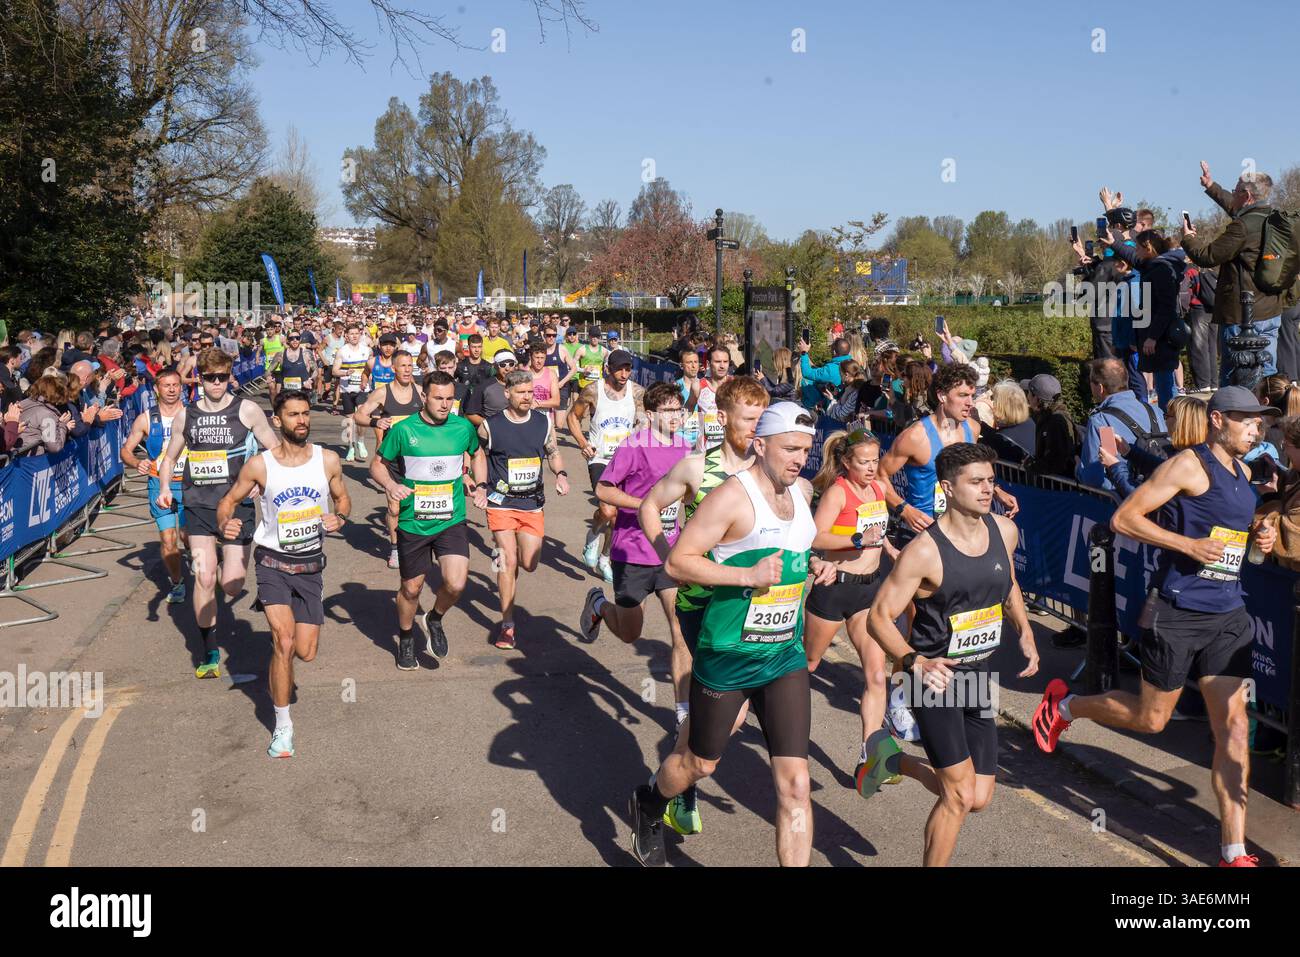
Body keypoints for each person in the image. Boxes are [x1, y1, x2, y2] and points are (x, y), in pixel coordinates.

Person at [1034, 386, 1278, 868]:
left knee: (1233, 726)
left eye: (1261, 421)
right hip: (1178, 611)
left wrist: (1260, 537)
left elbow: (1233, 544)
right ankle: (1066, 706)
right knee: (1152, 719)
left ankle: (1233, 851)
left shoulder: (1244, 473)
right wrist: (1185, 547)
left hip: (1228, 615)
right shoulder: (1189, 465)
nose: (1256, 428)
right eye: (1246, 419)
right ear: (1216, 420)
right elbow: (1126, 518)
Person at [628, 402, 836, 867]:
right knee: (700, 763)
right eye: (789, 448)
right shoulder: (731, 497)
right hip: (728, 655)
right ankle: (649, 803)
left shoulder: (801, 492)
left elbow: (794, 549)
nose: (799, 458)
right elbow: (679, 561)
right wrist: (747, 577)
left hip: (784, 656)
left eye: (805, 449)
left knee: (796, 784)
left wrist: (815, 564)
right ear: (760, 446)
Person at [868, 442, 1039, 866]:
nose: (987, 490)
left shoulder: (1004, 531)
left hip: (977, 674)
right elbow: (879, 616)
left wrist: (1026, 631)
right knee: (958, 796)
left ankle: (889, 759)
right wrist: (915, 662)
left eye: (991, 481)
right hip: (932, 677)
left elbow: (1010, 584)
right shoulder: (924, 551)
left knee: (978, 797)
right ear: (947, 487)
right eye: (976, 482)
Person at [635, 376, 770, 836]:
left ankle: (680, 775)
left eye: (760, 418)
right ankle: (676, 785)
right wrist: (666, 556)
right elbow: (649, 506)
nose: (755, 427)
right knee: (724, 716)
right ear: (723, 417)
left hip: (752, 607)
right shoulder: (697, 468)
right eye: (748, 418)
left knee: (724, 721)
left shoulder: (768, 472)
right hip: (704, 606)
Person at [217, 390, 349, 757]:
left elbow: (343, 498)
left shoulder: (328, 460)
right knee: (284, 641)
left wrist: (340, 517)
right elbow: (228, 501)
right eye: (293, 415)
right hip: (273, 561)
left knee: (305, 652)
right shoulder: (261, 465)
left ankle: (280, 664)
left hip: (310, 565)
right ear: (278, 420)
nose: (302, 420)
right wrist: (226, 523)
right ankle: (283, 726)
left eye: (306, 413)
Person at [803, 428, 914, 795]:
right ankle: (768, 700)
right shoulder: (838, 491)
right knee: (809, 665)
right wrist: (854, 541)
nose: (870, 468)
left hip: (868, 592)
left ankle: (871, 753)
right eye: (863, 462)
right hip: (835, 590)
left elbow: (877, 534)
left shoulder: (879, 489)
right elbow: (815, 537)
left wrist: (894, 552)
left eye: (874, 460)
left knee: (876, 675)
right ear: (846, 462)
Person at [156, 348, 279, 678]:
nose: (216, 384)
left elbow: (275, 451)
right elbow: (169, 458)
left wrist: (262, 484)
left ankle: (231, 562)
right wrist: (166, 488)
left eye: (222, 378)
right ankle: (208, 649)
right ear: (200, 378)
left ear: (230, 377)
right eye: (209, 378)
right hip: (198, 507)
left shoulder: (248, 410)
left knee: (233, 585)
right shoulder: (187, 415)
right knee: (205, 577)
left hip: (236, 506)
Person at [371, 371, 484, 670]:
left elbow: (478, 453)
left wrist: (479, 482)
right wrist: (391, 485)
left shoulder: (462, 428)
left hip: (451, 519)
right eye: (438, 398)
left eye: (450, 399)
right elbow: (377, 465)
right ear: (424, 396)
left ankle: (434, 618)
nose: (445, 404)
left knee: (456, 583)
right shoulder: (404, 430)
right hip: (413, 522)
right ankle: (406, 636)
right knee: (411, 589)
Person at [579, 382, 693, 655]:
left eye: (678, 410)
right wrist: (646, 506)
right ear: (651, 415)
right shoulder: (635, 446)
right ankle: (599, 605)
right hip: (632, 551)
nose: (675, 416)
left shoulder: (687, 449)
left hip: (670, 551)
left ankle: (683, 700)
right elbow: (603, 489)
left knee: (681, 634)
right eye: (667, 411)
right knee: (630, 634)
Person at [471, 368, 569, 650]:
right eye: (521, 393)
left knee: (529, 563)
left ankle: (508, 560)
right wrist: (478, 484)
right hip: (500, 502)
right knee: (508, 561)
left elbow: (553, 451)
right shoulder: (490, 426)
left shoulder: (542, 423)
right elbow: (476, 453)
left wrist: (560, 474)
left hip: (532, 503)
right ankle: (507, 625)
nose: (527, 397)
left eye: (530, 392)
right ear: (507, 394)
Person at [878, 363, 1019, 545]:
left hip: (960, 530)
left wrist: (997, 491)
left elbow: (972, 472)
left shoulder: (973, 429)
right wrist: (904, 510)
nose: (970, 403)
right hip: (923, 533)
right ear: (941, 396)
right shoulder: (916, 436)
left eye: (971, 396)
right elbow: (878, 475)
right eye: (962, 395)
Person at [1183, 162, 1286, 386]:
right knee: (1267, 377)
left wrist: (1188, 238)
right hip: (1271, 309)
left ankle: (1240, 417)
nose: (1232, 193)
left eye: (1235, 189)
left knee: (1236, 381)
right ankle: (1265, 417)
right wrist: (1212, 186)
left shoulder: (1242, 227)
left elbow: (1207, 256)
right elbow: (1240, 209)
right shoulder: (1275, 219)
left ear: (1246, 195)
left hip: (1244, 315)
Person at [567, 349, 646, 582]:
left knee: (617, 516)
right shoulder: (593, 390)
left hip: (627, 461)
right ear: (608, 369)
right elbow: (573, 417)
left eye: (628, 368)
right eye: (620, 368)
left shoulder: (638, 392)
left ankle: (605, 557)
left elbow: (643, 420)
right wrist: (583, 443)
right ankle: (593, 536)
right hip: (600, 458)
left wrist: (641, 432)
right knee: (608, 510)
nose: (624, 373)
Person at [120, 367, 188, 603]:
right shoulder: (146, 418)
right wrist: (136, 462)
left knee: (188, 537)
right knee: (168, 540)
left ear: (181, 387)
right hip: (160, 486)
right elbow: (126, 451)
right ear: (156, 389)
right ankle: (178, 583)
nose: (171, 390)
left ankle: (205, 573)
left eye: (175, 385)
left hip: (190, 485)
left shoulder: (192, 414)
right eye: (166, 385)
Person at [353, 351, 424, 569]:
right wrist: (376, 423)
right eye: (402, 366)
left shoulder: (420, 392)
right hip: (391, 459)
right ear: (393, 369)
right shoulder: (382, 393)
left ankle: (416, 543)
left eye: (409, 366)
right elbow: (359, 415)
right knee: (394, 507)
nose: (407, 370)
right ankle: (394, 549)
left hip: (416, 458)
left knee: (416, 506)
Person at [1076, 357, 1169, 491]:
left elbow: (1094, 478)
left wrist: (1078, 469)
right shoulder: (1155, 411)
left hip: (1123, 500)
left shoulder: (1102, 421)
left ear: (1100, 388)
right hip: (1162, 492)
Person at [332, 323, 372, 461]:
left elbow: (371, 368)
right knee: (350, 422)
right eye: (351, 334)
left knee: (361, 417)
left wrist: (368, 378)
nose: (354, 336)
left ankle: (360, 441)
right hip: (347, 390)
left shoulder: (367, 350)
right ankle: (350, 447)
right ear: (346, 336)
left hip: (362, 389)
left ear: (360, 335)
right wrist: (345, 372)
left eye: (356, 333)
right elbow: (334, 371)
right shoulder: (342, 351)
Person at [978, 380, 1036, 464]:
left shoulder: (997, 440)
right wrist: (981, 425)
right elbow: (1004, 434)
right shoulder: (1029, 422)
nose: (991, 403)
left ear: (1002, 406)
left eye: (993, 399)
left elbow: (997, 438)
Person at [796, 336, 852, 410]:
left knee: (806, 382)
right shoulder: (852, 364)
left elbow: (807, 373)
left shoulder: (830, 369)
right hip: (845, 406)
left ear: (834, 352)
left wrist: (804, 353)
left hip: (832, 409)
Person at [692, 346, 732, 447]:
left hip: (731, 449)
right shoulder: (699, 386)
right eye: (718, 361)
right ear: (709, 364)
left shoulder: (736, 385)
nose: (722, 366)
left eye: (725, 361)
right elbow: (687, 413)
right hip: (707, 450)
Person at [267, 330, 317, 406]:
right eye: (291, 338)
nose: (295, 340)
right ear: (287, 341)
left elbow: (315, 370)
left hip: (303, 391)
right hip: (286, 392)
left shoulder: (306, 353)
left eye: (297, 338)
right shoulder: (280, 354)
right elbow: (268, 371)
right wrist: (269, 377)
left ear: (300, 339)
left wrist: (311, 380)